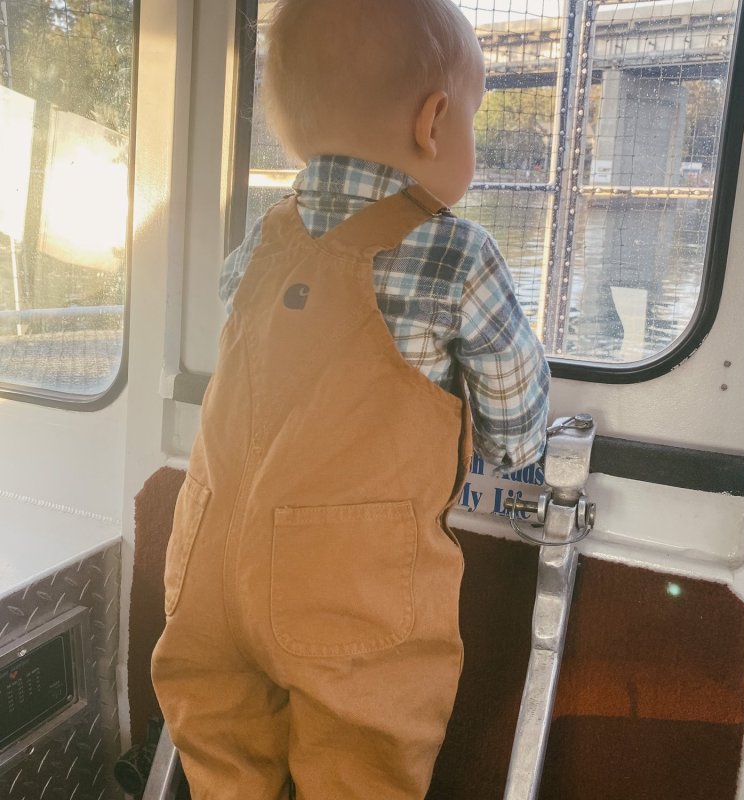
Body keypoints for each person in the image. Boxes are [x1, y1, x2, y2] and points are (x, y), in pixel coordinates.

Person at [151, 1, 550, 798]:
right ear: (435, 122)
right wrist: (513, 449)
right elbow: (515, 423)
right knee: (361, 772)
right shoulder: (456, 254)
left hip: (205, 571)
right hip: (352, 596)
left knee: (223, 763)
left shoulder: (261, 241)